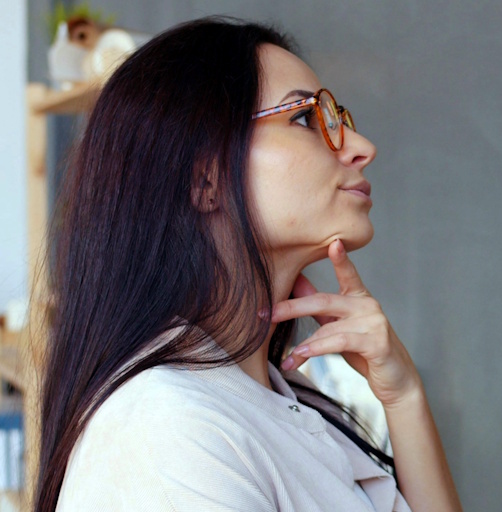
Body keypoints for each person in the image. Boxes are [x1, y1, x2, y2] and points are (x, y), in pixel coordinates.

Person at [33, 16, 462, 512]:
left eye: (340, 119)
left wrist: (404, 396)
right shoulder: (168, 433)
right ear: (204, 179)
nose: (362, 148)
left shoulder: (284, 393)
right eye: (306, 118)